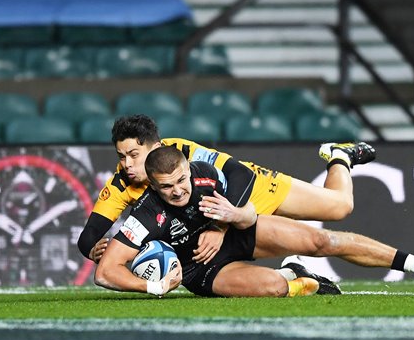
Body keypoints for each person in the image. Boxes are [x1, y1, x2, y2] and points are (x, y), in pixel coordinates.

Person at [93, 146, 414, 298]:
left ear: (188, 169)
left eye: (181, 181)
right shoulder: (145, 214)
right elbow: (105, 272)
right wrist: (154, 288)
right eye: (166, 187)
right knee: (275, 290)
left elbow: (247, 204)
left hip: (235, 233)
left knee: (323, 241)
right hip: (199, 269)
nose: (177, 192)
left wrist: (228, 221)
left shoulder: (205, 174)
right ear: (153, 186)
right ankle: (295, 276)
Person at [78, 114, 375, 265]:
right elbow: (89, 235)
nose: (127, 164)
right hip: (223, 220)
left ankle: (339, 156)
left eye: (134, 155)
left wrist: (220, 226)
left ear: (156, 147)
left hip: (250, 190)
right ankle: (294, 273)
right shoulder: (120, 183)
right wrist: (93, 249)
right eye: (121, 156)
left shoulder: (181, 152)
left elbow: (238, 173)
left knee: (340, 207)